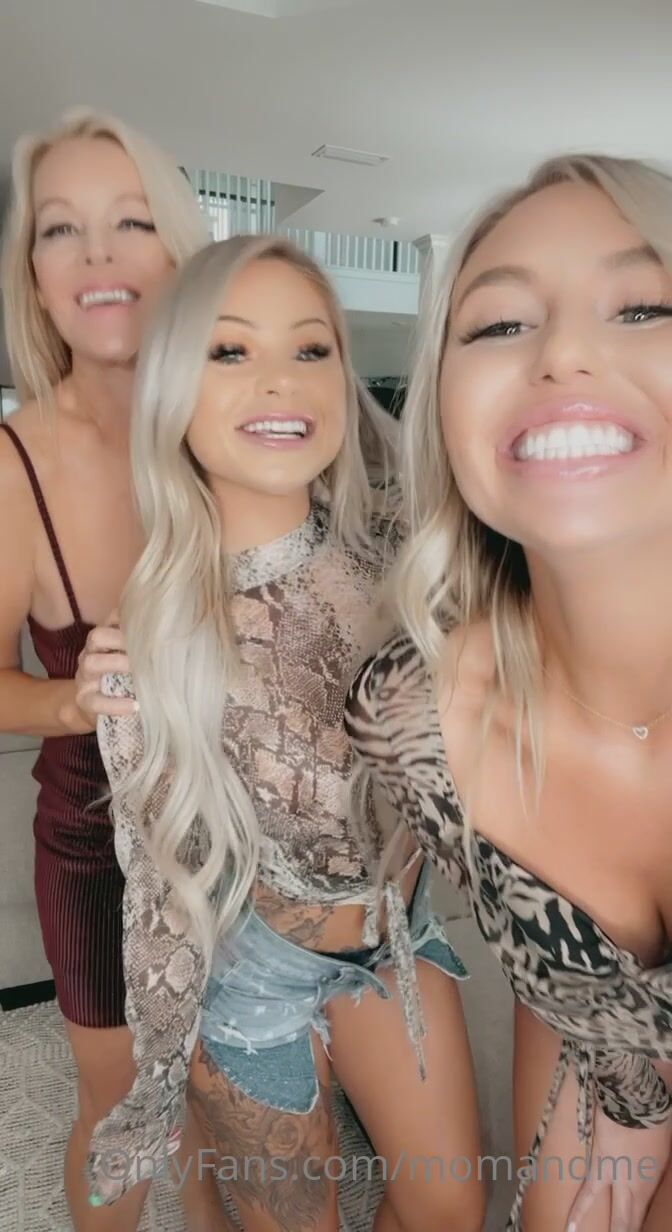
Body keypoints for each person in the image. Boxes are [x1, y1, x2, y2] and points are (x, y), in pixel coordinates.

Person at [82, 234, 485, 1232]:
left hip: (396, 936)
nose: (280, 380)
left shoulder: (404, 560)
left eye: (311, 348)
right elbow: (155, 886)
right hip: (253, 980)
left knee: (448, 1206)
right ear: (173, 390)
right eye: (229, 350)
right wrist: (160, 1074)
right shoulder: (151, 636)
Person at [345, 154, 672, 1232]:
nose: (564, 353)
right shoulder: (416, 718)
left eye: (645, 306)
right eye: (498, 324)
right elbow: (560, 981)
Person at [0, 108, 230, 1231]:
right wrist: (70, 698)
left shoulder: (238, 421)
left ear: (180, 252)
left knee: (240, 1100)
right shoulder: (14, 464)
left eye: (131, 220)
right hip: (99, 853)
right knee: (125, 1109)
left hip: (250, 838)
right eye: (60, 228)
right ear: (34, 278)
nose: (97, 252)